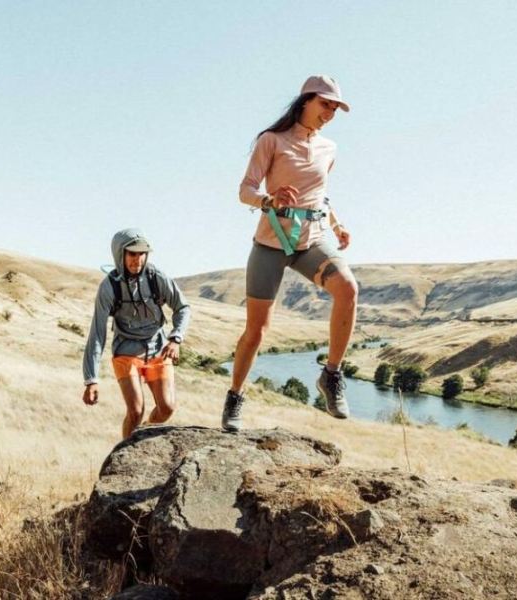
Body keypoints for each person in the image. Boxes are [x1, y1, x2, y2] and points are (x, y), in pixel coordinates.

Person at [222, 75, 358, 432]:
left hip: (311, 241)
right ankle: (235, 396)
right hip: (272, 242)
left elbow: (319, 195)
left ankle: (331, 374)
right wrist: (269, 199)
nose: (329, 112)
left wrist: (338, 224)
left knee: (347, 288)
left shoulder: (329, 150)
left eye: (334, 108)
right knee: (257, 331)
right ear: (305, 101)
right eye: (324, 104)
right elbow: (245, 190)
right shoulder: (272, 141)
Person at [82, 228, 190, 438]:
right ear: (120, 254)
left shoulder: (156, 277)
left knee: (167, 408)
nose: (138, 259)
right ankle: (122, 460)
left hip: (158, 350)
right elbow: (97, 334)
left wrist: (176, 338)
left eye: (142, 254)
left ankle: (142, 435)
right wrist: (91, 379)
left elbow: (183, 307)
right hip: (126, 352)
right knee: (136, 410)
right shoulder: (108, 287)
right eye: (132, 253)